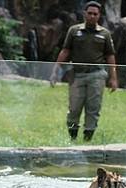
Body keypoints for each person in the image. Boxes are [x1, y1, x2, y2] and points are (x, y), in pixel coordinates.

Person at [50, 1, 118, 141]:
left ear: (99, 16)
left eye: (95, 14)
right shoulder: (74, 31)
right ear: (84, 14)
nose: (92, 16)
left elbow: (110, 56)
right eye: (90, 13)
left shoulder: (104, 34)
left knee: (93, 108)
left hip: (97, 75)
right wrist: (55, 70)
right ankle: (73, 138)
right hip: (77, 75)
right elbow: (65, 51)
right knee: (74, 108)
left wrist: (113, 78)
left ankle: (88, 139)